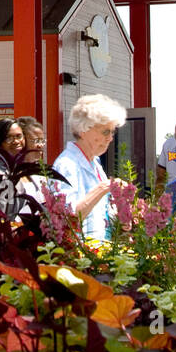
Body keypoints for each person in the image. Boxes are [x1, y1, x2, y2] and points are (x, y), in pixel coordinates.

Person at [52, 94, 125, 242]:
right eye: (105, 131)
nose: (110, 138)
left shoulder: (94, 163)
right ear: (83, 130)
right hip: (78, 256)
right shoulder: (67, 165)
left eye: (112, 132)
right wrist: (104, 187)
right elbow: (68, 218)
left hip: (97, 251)